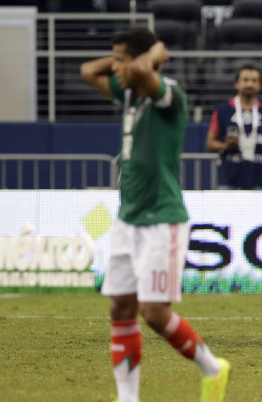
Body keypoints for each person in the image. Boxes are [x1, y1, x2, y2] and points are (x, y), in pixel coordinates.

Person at [80, 28, 230, 402]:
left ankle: (213, 368)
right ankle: (127, 398)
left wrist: (149, 58)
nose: (114, 68)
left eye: (121, 60)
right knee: (121, 306)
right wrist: (130, 58)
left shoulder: (169, 95)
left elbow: (143, 74)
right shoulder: (129, 93)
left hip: (162, 219)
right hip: (127, 218)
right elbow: (89, 72)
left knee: (154, 312)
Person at [205, 65, 262, 189]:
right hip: (228, 182)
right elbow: (210, 143)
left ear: (260, 85)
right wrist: (226, 146)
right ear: (236, 84)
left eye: (254, 80)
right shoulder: (222, 111)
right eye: (245, 80)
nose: (250, 84)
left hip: (260, 182)